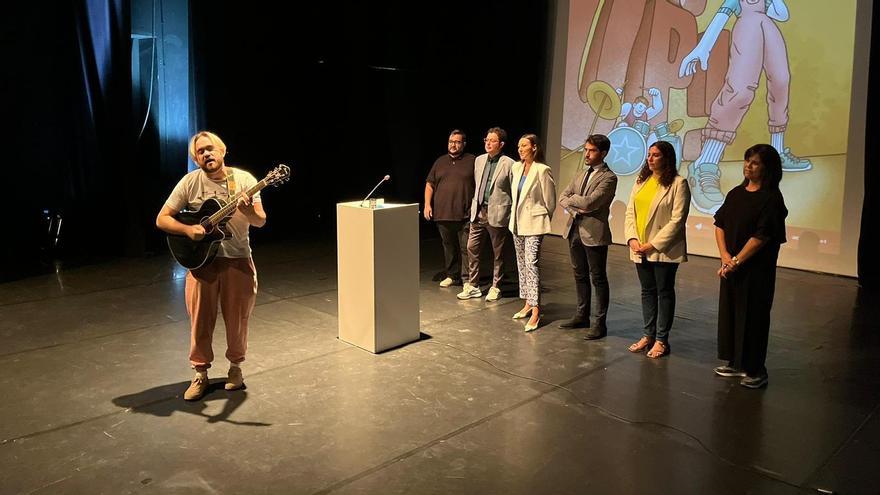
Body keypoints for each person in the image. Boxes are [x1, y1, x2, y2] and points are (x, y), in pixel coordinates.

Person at [156, 131, 266, 401]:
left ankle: (235, 369)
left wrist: (247, 209)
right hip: (202, 262)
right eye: (199, 153)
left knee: (237, 319)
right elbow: (162, 219)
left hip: (237, 258)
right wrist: (188, 229)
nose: (205, 155)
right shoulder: (189, 182)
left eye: (209, 149)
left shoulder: (244, 180)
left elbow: (260, 220)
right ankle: (200, 373)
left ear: (222, 150)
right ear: (196, 159)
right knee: (200, 321)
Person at [679, 0, 810, 214]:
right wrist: (703, 48)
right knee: (739, 90)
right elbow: (723, 14)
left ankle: (777, 152)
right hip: (747, 30)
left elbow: (782, 14)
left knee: (781, 81)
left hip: (768, 28)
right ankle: (704, 164)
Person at [712, 144, 788, 388]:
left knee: (754, 317)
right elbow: (719, 223)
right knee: (731, 313)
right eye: (747, 161)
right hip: (732, 267)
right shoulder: (736, 193)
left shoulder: (771, 199)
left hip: (756, 271)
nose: (748, 166)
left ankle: (756, 369)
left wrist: (735, 261)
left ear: (767, 168)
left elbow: (762, 236)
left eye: (755, 162)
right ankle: (736, 362)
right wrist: (725, 256)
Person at [623, 141, 691, 358]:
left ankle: (662, 339)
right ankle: (648, 335)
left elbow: (677, 220)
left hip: (662, 249)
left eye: (656, 155)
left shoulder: (678, 184)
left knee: (664, 292)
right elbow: (630, 213)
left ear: (667, 158)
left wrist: (653, 244)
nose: (650, 159)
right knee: (647, 291)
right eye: (649, 155)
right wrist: (632, 239)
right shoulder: (641, 181)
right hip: (639, 247)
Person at [558, 134, 618, 340]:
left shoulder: (609, 177)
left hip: (594, 233)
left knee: (598, 277)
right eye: (586, 150)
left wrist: (576, 202)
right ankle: (581, 315)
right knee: (579, 275)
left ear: (602, 153)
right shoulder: (580, 174)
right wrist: (576, 207)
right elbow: (562, 197)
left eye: (591, 151)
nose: (587, 154)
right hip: (574, 228)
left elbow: (591, 203)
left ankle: (599, 323)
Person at [457, 127, 515, 302]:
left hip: (497, 213)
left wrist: (510, 213)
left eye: (492, 140)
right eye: (486, 140)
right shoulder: (479, 160)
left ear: (501, 144)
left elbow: (513, 190)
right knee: (471, 248)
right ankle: (473, 285)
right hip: (479, 211)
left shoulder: (509, 163)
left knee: (498, 253)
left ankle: (496, 286)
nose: (488, 143)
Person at [509, 134, 556, 332]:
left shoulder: (542, 170)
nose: (520, 149)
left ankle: (536, 309)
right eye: (519, 145)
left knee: (531, 263)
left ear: (534, 148)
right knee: (521, 263)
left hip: (534, 223)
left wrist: (542, 218)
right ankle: (527, 302)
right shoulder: (516, 167)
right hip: (517, 223)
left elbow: (550, 201)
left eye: (524, 145)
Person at [424, 130, 476, 287]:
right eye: (451, 141)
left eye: (457, 142)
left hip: (465, 213)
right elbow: (430, 184)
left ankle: (468, 279)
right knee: (449, 247)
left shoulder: (472, 160)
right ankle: (453, 276)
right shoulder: (440, 161)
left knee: (466, 248)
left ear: (464, 144)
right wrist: (427, 204)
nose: (453, 145)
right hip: (443, 213)